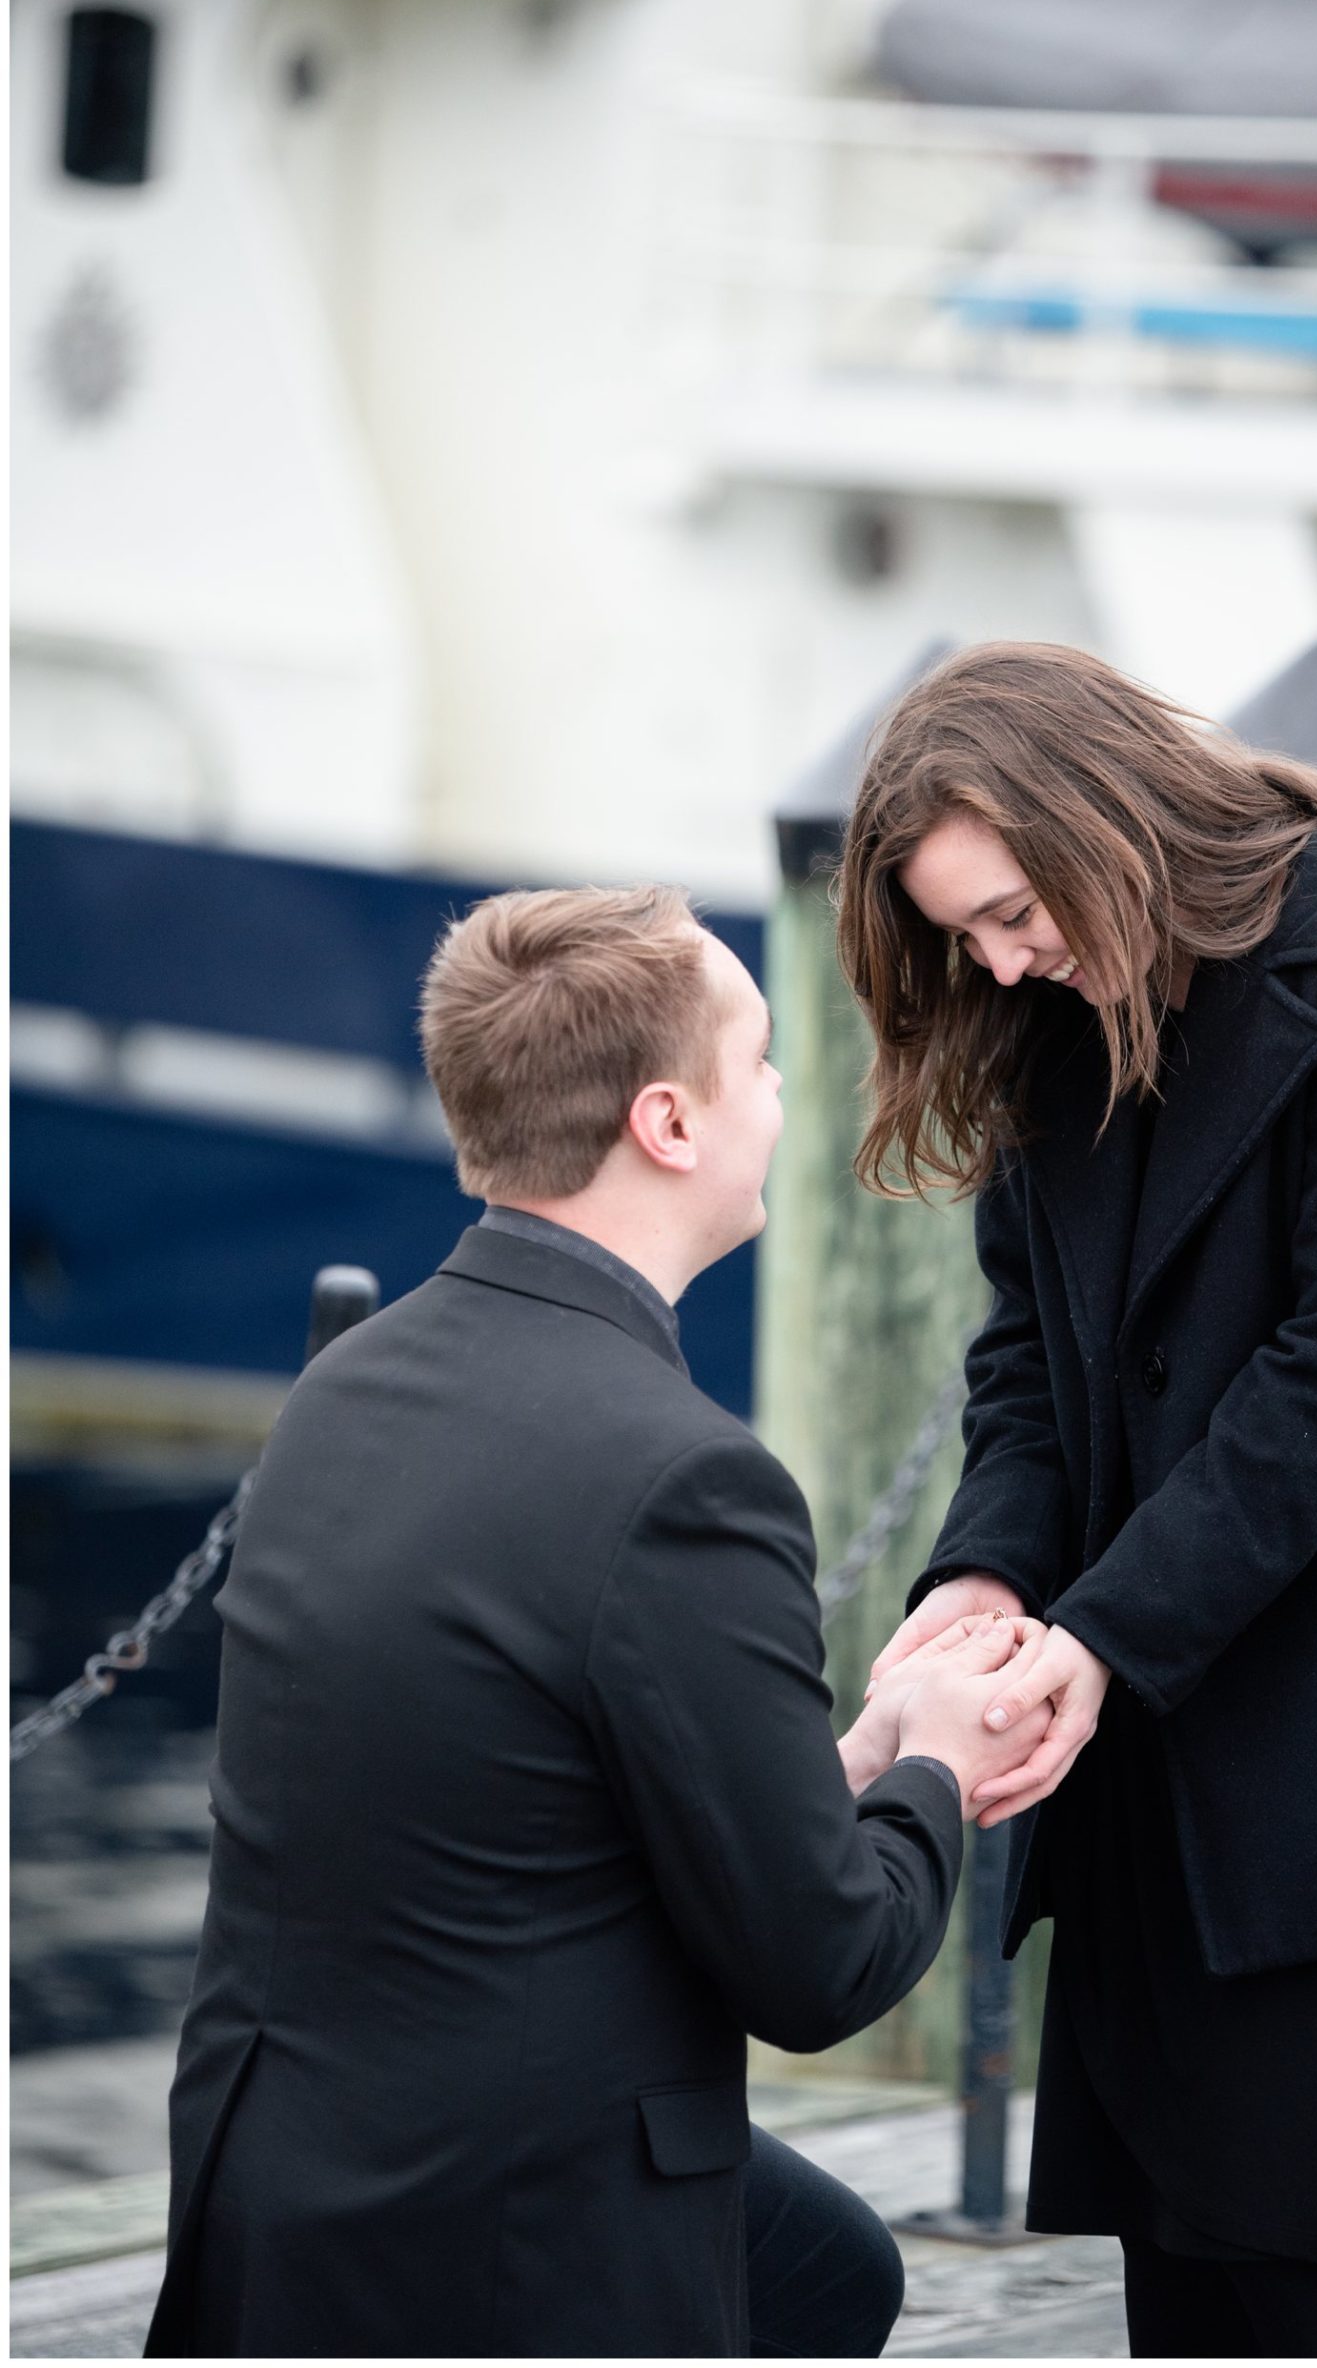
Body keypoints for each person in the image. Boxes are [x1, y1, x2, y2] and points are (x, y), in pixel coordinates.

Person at [145, 882, 1054, 2361]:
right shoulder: (688, 1477)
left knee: (831, 2272)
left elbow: (515, 1796)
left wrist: (850, 1766)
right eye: (758, 1062)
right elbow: (821, 1969)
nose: (778, 1097)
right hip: (518, 2221)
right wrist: (938, 1770)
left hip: (284, 2169)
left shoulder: (340, 1392)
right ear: (668, 1125)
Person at [843, 641, 1317, 2360]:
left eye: (1013, 909)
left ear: (1101, 815)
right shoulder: (1048, 1016)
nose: (1001, 957)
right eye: (966, 935)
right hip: (1137, 1723)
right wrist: (978, 1576)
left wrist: (1101, 1633)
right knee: (1174, 2251)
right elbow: (1026, 1358)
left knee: (1288, 2248)